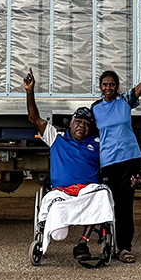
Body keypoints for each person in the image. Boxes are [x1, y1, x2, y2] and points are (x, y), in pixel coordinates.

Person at [91, 40, 141, 263]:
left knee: (126, 206)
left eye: (111, 84)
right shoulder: (95, 109)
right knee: (107, 203)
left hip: (129, 160)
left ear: (117, 87)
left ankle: (124, 248)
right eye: (104, 84)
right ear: (100, 87)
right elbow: (82, 131)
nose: (108, 88)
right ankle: (106, 242)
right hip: (107, 162)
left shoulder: (126, 101)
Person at [25, 68, 104, 262]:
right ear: (70, 124)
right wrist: (29, 92)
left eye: (86, 124)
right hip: (62, 192)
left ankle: (83, 242)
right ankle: (42, 244)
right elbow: (34, 119)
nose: (82, 126)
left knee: (104, 195)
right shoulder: (57, 137)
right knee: (58, 234)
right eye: (78, 121)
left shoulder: (97, 142)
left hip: (88, 191)